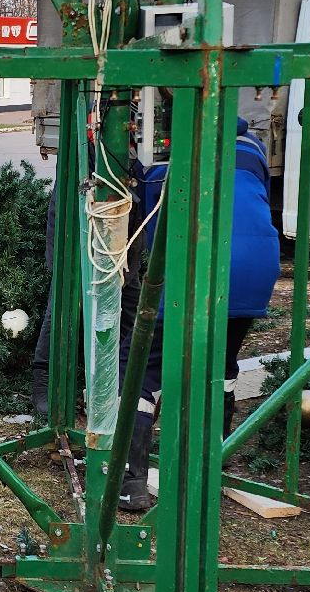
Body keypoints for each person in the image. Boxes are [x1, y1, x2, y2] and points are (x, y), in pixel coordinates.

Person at [116, 115, 282, 512]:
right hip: (257, 267)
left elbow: (153, 230)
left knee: (136, 368)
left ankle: (130, 481)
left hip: (201, 267)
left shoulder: (166, 159)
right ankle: (211, 463)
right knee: (220, 363)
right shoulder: (253, 147)